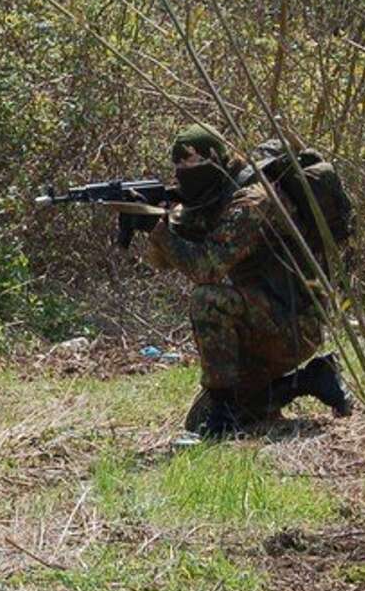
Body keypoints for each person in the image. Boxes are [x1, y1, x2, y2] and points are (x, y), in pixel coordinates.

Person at [134, 123, 352, 437]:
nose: (185, 172)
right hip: (262, 320)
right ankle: (310, 379)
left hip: (294, 322)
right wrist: (151, 221)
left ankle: (224, 416)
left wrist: (159, 230)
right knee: (198, 421)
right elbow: (161, 263)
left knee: (207, 300)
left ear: (217, 159)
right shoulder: (211, 197)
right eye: (178, 166)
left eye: (193, 163)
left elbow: (206, 268)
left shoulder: (255, 199)